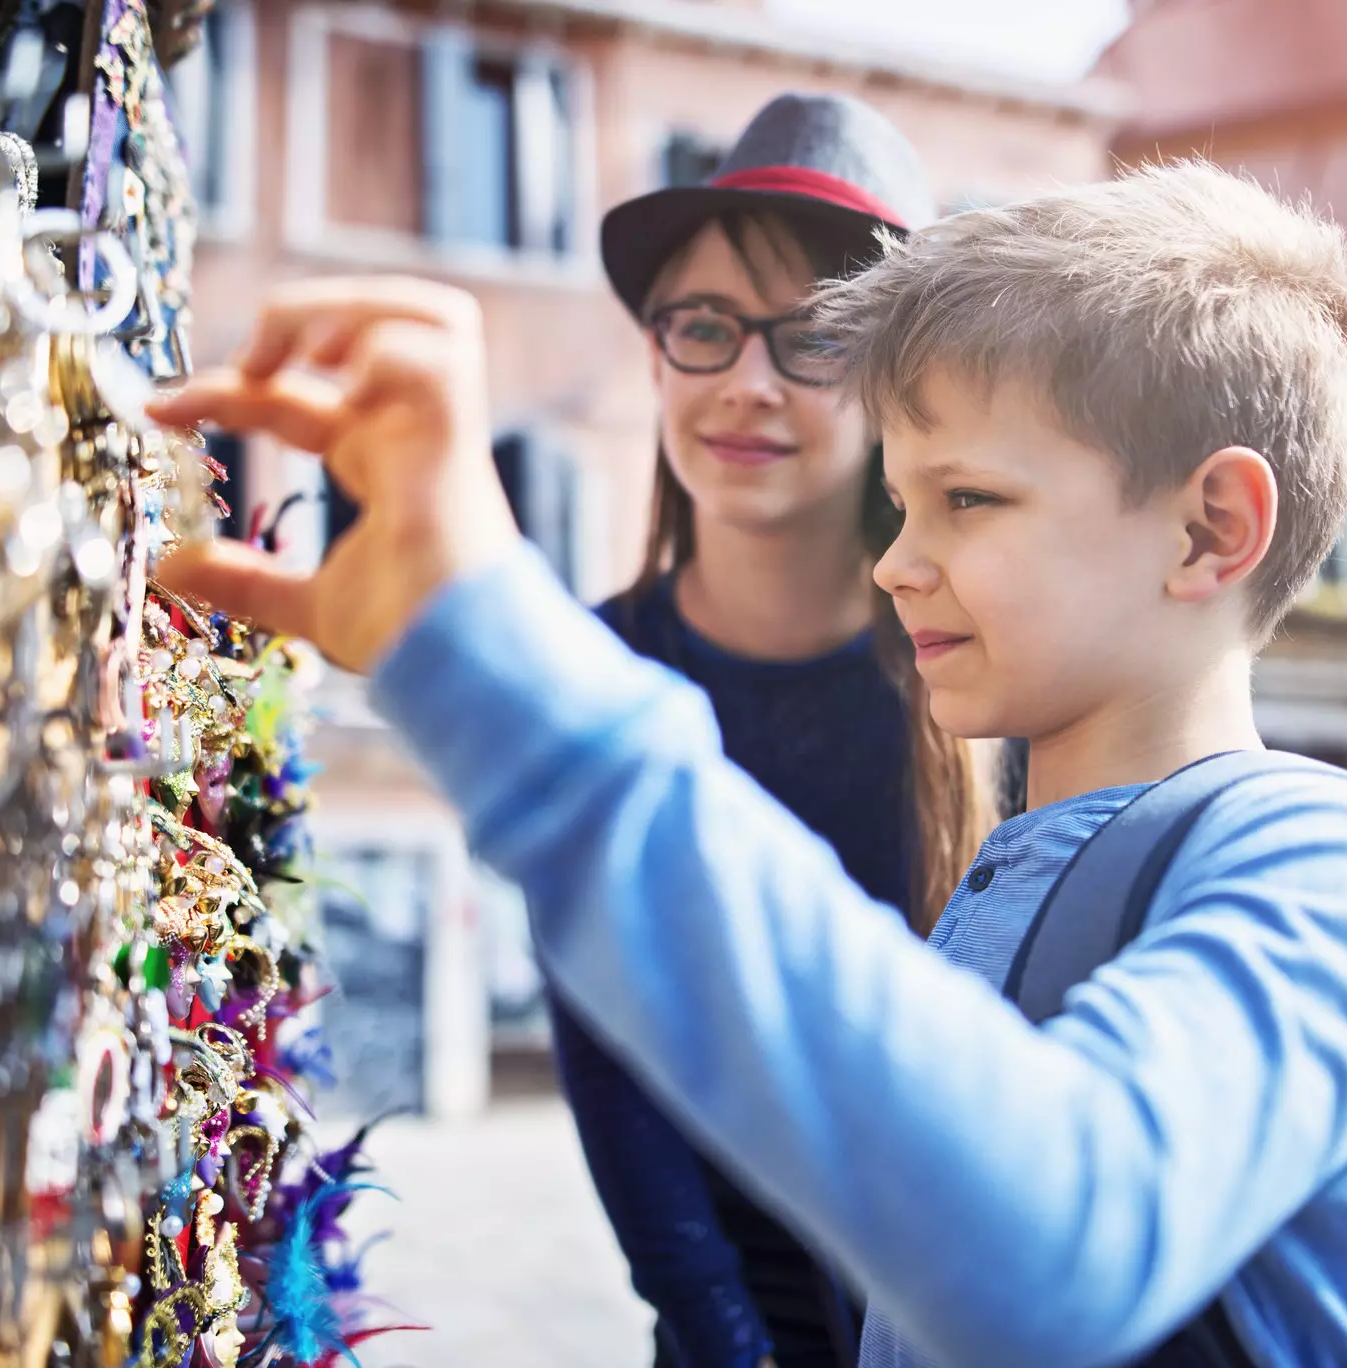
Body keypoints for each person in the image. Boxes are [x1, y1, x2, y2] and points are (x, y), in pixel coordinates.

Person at [150, 160, 1347, 1367]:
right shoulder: (1023, 871)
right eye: (902, 499)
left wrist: (498, 665)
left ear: (1210, 528)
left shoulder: (1320, 858)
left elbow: (1058, 1248)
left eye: (967, 500)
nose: (895, 560)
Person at [551, 92, 980, 1368]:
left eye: (814, 339)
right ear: (654, 356)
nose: (746, 382)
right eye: (704, 327)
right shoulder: (592, 672)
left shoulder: (985, 674)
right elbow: (616, 1075)